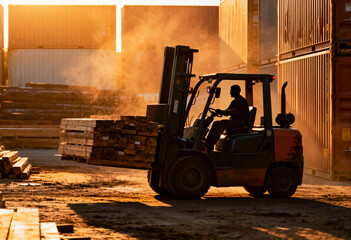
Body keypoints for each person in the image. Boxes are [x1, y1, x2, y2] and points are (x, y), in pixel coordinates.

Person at [206, 84, 250, 149]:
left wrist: (222, 112)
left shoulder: (242, 101)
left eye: (231, 91)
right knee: (216, 123)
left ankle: (211, 143)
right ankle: (208, 141)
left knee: (222, 123)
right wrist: (219, 112)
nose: (230, 92)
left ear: (236, 91)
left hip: (240, 123)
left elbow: (235, 112)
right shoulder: (234, 101)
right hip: (234, 122)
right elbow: (227, 111)